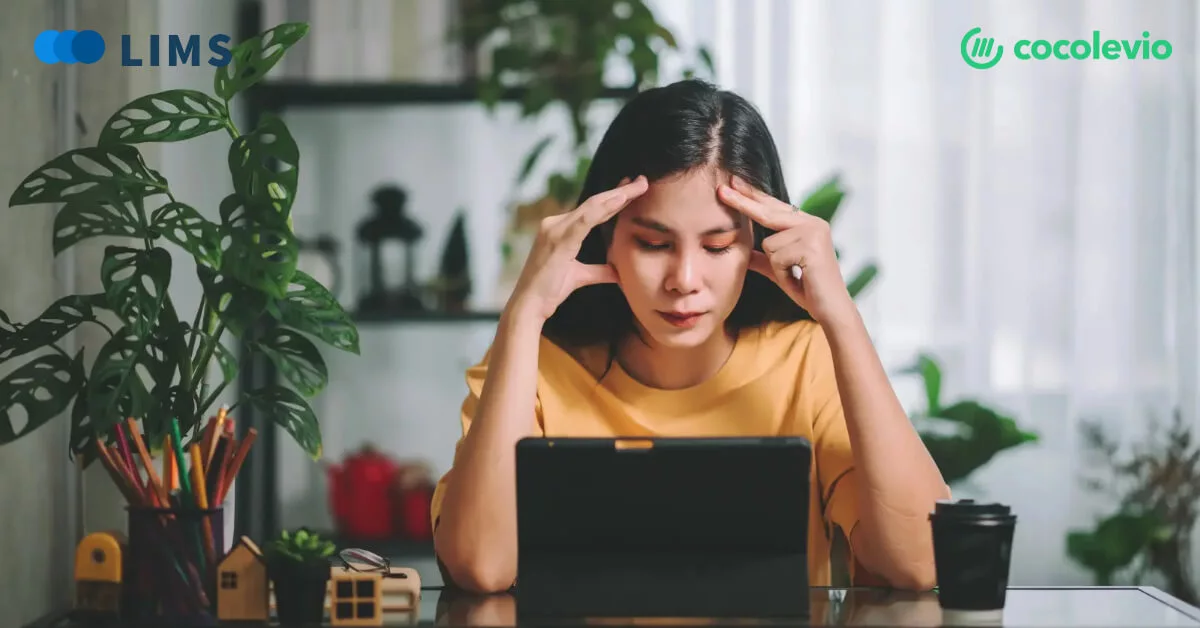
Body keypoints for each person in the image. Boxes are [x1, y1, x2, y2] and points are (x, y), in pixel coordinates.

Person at [430, 78, 950, 594]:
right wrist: (523, 314)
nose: (684, 279)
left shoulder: (805, 362)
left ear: (757, 243)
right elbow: (481, 565)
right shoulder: (535, 365)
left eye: (719, 246)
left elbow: (922, 563)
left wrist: (840, 317)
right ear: (605, 234)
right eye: (654, 243)